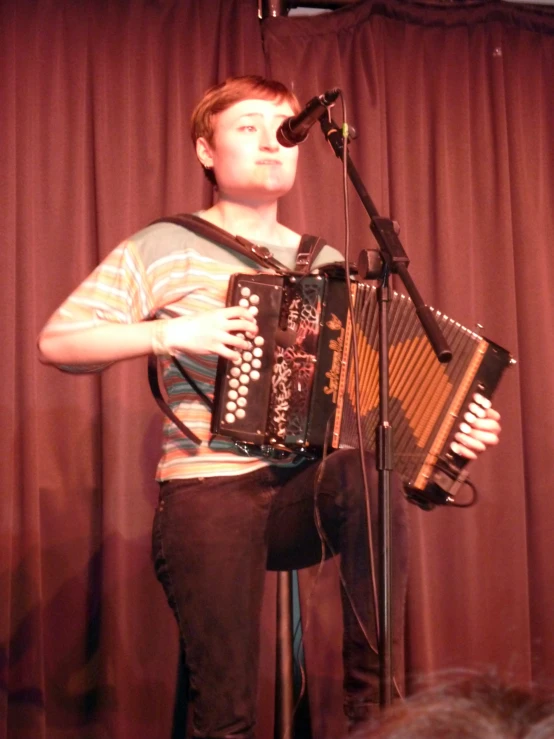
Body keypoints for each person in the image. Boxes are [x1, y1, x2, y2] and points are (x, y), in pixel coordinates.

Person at [38, 76, 502, 739]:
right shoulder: (163, 244)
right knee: (224, 712)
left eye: (285, 129)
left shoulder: (330, 261)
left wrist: (451, 430)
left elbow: (381, 401)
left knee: (366, 474)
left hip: (299, 492)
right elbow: (56, 342)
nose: (271, 143)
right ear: (207, 150)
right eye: (248, 127)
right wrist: (169, 332)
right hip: (207, 489)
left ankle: (377, 718)